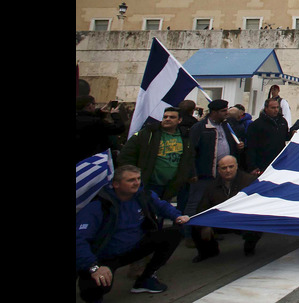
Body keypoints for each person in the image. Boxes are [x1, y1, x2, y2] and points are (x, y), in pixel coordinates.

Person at [76, 165, 190, 301]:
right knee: (97, 285)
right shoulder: (98, 206)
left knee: (174, 234)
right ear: (116, 184)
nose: (136, 183)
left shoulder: (143, 195)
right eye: (130, 180)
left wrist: (177, 216)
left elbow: (162, 206)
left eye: (138, 178)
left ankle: (145, 279)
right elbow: (79, 240)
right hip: (106, 255)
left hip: (134, 247)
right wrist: (93, 267)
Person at [190, 155, 263, 262]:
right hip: (221, 220)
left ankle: (249, 247)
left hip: (244, 218)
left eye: (231, 167)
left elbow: (259, 204)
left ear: (237, 167)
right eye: (224, 168)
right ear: (219, 170)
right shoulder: (211, 186)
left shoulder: (250, 181)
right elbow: (202, 208)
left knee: (257, 222)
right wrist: (205, 225)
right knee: (195, 224)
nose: (228, 170)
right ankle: (208, 252)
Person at [118, 107, 195, 206]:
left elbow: (189, 157)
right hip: (149, 183)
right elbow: (126, 154)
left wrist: (191, 173)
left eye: (172, 117)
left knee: (162, 211)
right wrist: (132, 175)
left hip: (171, 185)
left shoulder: (185, 137)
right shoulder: (148, 133)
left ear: (179, 120)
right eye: (165, 117)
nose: (167, 119)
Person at [187, 100, 245, 224]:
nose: (227, 113)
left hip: (223, 173)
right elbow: (191, 152)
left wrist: (238, 146)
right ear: (214, 112)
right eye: (223, 111)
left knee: (215, 203)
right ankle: (189, 233)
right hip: (205, 173)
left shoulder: (226, 126)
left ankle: (212, 230)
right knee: (196, 203)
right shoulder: (200, 128)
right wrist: (192, 172)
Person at [76, 95, 127, 165]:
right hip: (96, 160)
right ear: (89, 105)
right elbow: (119, 128)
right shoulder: (96, 122)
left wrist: (99, 113)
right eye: (94, 104)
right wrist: (115, 114)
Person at [246, 98, 290, 175]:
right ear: (266, 108)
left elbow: (286, 137)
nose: (276, 110)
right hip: (263, 164)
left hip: (279, 162)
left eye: (277, 107)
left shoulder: (282, 121)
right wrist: (252, 167)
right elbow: (251, 147)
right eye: (273, 108)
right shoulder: (256, 125)